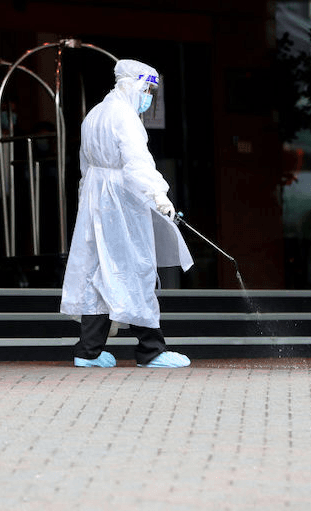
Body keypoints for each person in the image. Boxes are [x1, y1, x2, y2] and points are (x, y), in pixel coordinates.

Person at [60, 59, 193, 369]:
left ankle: (88, 350)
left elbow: (84, 166)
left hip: (96, 199)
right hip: (122, 200)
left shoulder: (95, 113)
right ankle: (151, 350)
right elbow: (137, 163)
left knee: (99, 273)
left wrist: (86, 200)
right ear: (132, 84)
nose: (148, 97)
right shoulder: (125, 117)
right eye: (147, 89)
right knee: (135, 269)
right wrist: (159, 194)